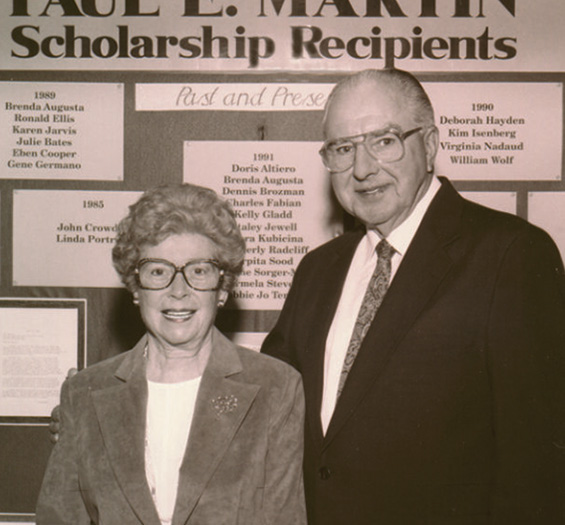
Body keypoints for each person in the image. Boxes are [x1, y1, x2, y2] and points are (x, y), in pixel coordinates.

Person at [261, 69, 565, 524]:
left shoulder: (511, 255)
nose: (362, 169)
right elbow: (274, 406)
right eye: (343, 148)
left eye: (384, 140)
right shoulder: (318, 270)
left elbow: (538, 462)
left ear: (431, 145)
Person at [36, 183, 307, 525]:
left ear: (222, 288)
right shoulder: (85, 394)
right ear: (136, 288)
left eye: (198, 271)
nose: (178, 291)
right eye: (158, 271)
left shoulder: (275, 388)